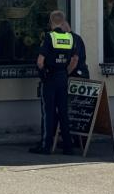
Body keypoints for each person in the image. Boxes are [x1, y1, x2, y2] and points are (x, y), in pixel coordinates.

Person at [30, 10, 79, 155]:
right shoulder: (71, 38)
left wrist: (43, 73)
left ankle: (46, 146)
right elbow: (74, 60)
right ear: (63, 22)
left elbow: (40, 61)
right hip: (63, 78)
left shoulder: (49, 37)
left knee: (48, 112)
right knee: (63, 112)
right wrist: (65, 72)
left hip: (50, 78)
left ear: (51, 22)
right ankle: (68, 147)